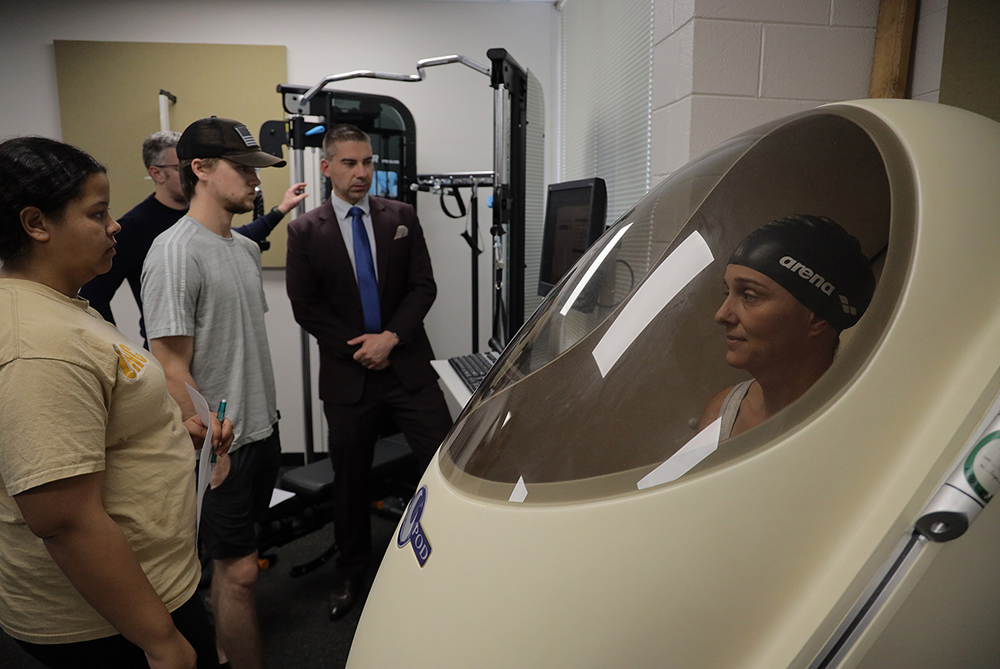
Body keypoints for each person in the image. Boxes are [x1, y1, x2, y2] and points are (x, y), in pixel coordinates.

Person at [0, 136, 232, 668]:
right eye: (97, 213)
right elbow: (63, 519)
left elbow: (101, 426)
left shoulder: (66, 308)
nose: (115, 226)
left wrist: (179, 433)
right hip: (111, 621)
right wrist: (160, 641)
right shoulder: (38, 346)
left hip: (151, 587)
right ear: (37, 224)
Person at [285, 124, 453, 620]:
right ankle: (352, 570)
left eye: (367, 163)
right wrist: (360, 349)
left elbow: (423, 287)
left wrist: (390, 339)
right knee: (350, 481)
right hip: (349, 375)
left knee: (440, 467)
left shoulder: (401, 217)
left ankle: (446, 561)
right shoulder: (304, 231)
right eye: (349, 164)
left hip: (406, 367)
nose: (361, 173)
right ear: (327, 167)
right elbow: (306, 307)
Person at [141, 117, 284, 669]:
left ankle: (226, 649)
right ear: (199, 169)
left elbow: (240, 343)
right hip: (221, 444)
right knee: (242, 573)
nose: (254, 180)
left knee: (239, 568)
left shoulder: (243, 250)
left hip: (261, 430)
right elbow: (171, 364)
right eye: (243, 168)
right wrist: (210, 446)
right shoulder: (176, 252)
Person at [79, 130, 307, 344]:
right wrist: (119, 352)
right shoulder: (138, 228)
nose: (190, 174)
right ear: (157, 173)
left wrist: (281, 210)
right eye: (181, 168)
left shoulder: (201, 220)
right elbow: (94, 296)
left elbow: (238, 238)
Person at [697, 214, 876, 439]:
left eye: (749, 296)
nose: (721, 315)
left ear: (817, 318)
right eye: (728, 292)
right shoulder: (723, 414)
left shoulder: (860, 428)